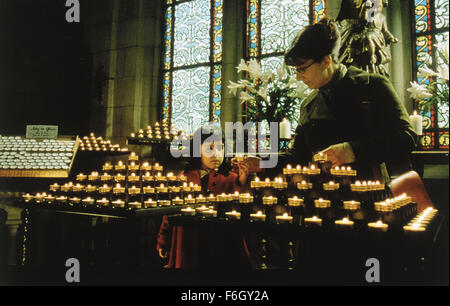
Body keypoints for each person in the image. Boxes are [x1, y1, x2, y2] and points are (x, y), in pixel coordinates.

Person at [282, 17, 417, 182]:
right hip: (324, 199)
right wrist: (262, 164)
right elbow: (298, 157)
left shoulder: (372, 86)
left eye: (302, 69)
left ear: (326, 61)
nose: (298, 77)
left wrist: (352, 151)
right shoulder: (309, 105)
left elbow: (407, 137)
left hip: (372, 195)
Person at [156, 125, 251, 269]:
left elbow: (242, 207)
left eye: (220, 148)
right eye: (210, 148)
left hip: (221, 242)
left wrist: (242, 183)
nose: (216, 154)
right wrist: (164, 240)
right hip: (189, 240)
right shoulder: (183, 178)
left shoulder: (232, 178)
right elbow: (169, 213)